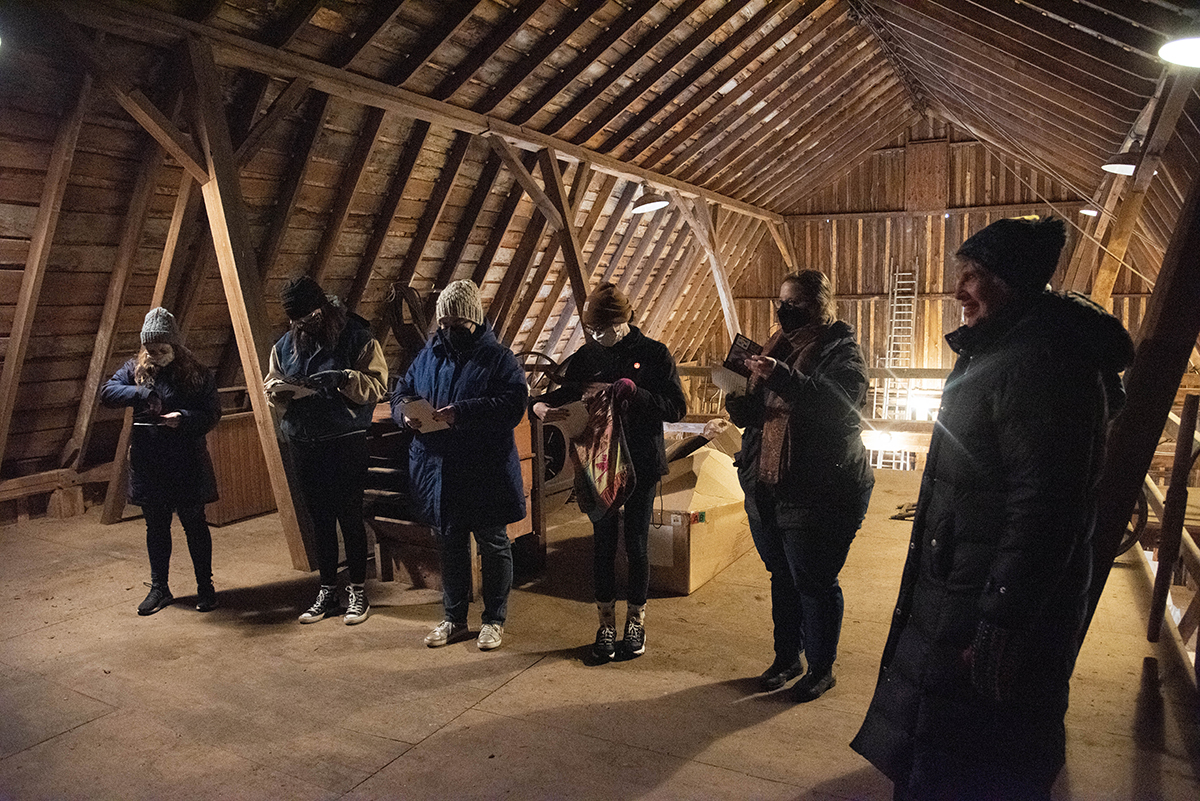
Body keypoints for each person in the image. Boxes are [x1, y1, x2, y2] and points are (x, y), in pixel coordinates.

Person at [851, 217, 1135, 800]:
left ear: (1014, 281)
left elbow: (1045, 507)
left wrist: (1002, 618)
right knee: (949, 741)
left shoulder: (1043, 363)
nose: (959, 292)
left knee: (977, 755)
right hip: (963, 579)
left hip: (985, 595)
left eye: (974, 277)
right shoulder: (1009, 348)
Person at [724, 270, 874, 700]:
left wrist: (783, 376)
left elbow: (839, 408)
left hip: (819, 487)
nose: (784, 311)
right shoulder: (777, 347)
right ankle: (786, 657)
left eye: (796, 304)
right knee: (781, 576)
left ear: (820, 307)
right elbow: (764, 414)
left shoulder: (842, 353)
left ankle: (821, 667)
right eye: (781, 302)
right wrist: (741, 401)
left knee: (813, 580)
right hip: (767, 483)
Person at [533, 283, 688, 661]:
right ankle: (604, 624)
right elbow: (563, 392)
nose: (597, 336)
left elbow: (676, 408)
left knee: (635, 543)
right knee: (603, 545)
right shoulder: (588, 356)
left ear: (623, 320)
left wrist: (638, 393)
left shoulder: (655, 354)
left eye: (603, 328)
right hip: (599, 463)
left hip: (640, 463)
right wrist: (537, 406)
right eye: (592, 330)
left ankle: (635, 621)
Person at [393, 279, 527, 651]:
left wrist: (462, 413)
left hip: (483, 469)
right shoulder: (428, 355)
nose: (451, 332)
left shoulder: (499, 359)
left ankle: (494, 620)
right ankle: (453, 618)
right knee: (449, 544)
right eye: (445, 325)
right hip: (440, 470)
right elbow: (401, 390)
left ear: (475, 321)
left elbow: (513, 405)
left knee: (493, 543)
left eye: (459, 325)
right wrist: (404, 415)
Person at [265, 275, 387, 626]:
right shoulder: (284, 345)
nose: (301, 326)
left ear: (322, 309)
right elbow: (271, 383)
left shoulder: (358, 336)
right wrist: (280, 393)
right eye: (295, 321)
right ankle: (327, 589)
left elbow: (378, 384)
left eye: (307, 318)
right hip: (304, 442)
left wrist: (347, 379)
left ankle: (359, 591)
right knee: (319, 520)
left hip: (344, 441)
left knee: (349, 516)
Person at [100, 307, 222, 615]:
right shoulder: (135, 368)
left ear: (175, 346)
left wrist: (183, 418)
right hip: (149, 463)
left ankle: (205, 588)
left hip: (186, 462)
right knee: (156, 527)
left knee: (195, 524)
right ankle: (159, 588)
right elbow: (108, 392)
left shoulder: (196, 373)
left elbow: (212, 414)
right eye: (149, 349)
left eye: (161, 349)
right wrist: (140, 393)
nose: (154, 355)